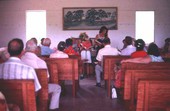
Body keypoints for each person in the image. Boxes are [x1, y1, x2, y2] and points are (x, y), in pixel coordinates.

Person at [21, 39, 61, 111]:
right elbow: (46, 80)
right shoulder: (40, 62)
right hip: (38, 89)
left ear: (25, 49)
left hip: (21, 89)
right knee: (57, 88)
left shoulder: (20, 59)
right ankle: (53, 108)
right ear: (36, 50)